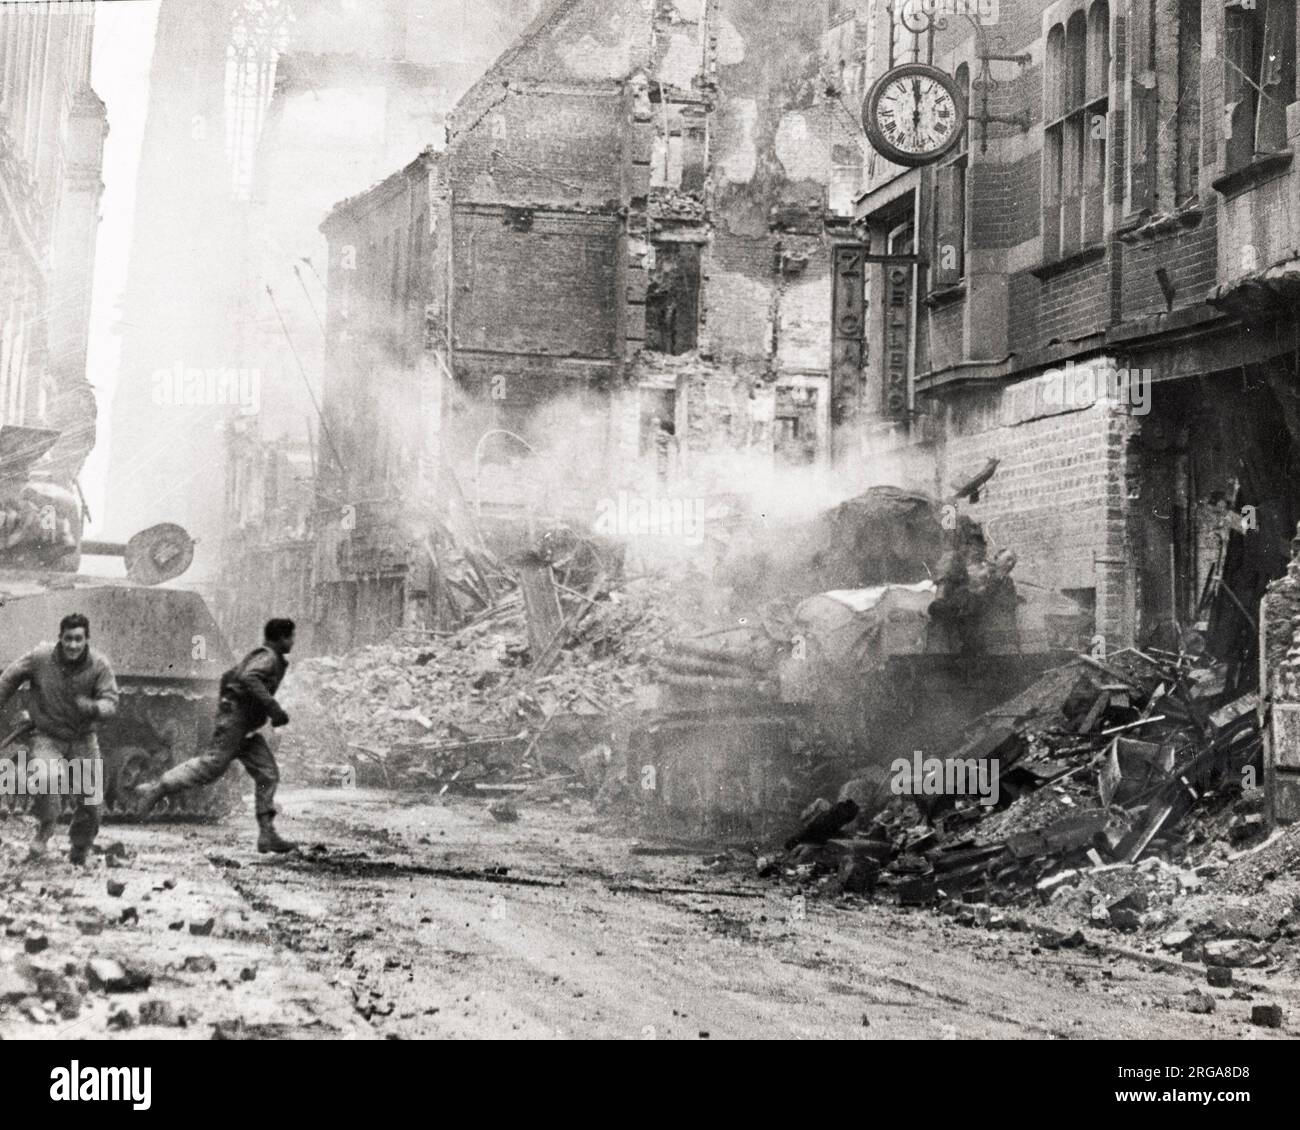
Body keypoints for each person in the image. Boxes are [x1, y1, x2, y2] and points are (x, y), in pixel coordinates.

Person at [136, 618, 297, 853]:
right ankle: (157, 788)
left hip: (245, 727)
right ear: (281, 638)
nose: (293, 641)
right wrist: (272, 708)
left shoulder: (261, 656)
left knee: (268, 773)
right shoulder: (268, 657)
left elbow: (228, 676)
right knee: (210, 767)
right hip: (238, 724)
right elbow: (248, 678)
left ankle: (266, 835)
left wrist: (228, 704)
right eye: (290, 637)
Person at [0, 613, 119, 864]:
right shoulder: (41, 657)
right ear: (60, 638)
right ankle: (45, 828)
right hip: (48, 736)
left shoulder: (99, 665)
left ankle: (79, 850)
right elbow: (9, 678)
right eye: (68, 639)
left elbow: (111, 701)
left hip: (82, 738)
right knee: (45, 778)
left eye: (78, 639)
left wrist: (95, 707)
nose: (73, 645)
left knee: (92, 803)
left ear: (87, 639)